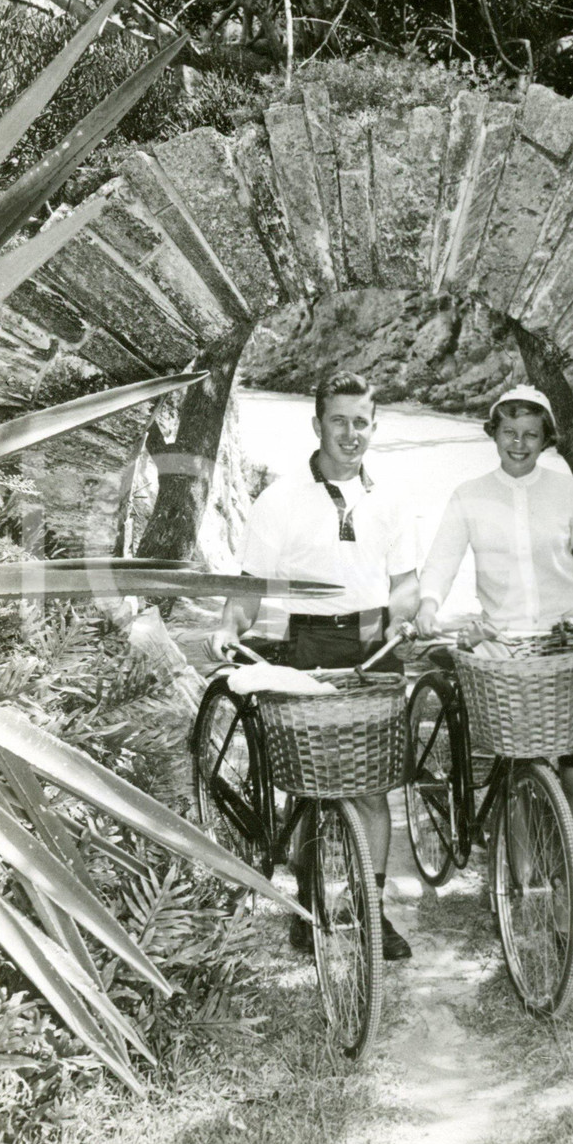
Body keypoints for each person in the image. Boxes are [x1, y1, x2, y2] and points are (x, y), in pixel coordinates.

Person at [207, 371, 418, 960]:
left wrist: (406, 618)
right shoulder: (279, 499)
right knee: (308, 784)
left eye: (361, 422)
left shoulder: (391, 498)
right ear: (318, 425)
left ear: (374, 426)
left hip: (375, 647)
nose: (351, 434)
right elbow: (249, 588)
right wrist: (229, 626)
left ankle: (371, 913)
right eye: (339, 421)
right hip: (309, 645)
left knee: (374, 788)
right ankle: (307, 905)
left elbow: (404, 583)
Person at [415, 384, 573, 860]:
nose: (519, 443)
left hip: (572, 645)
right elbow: (440, 563)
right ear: (494, 433)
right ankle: (523, 881)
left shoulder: (569, 491)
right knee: (516, 767)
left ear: (546, 438)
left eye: (531, 433)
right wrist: (428, 604)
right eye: (509, 432)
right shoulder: (470, 496)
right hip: (507, 650)